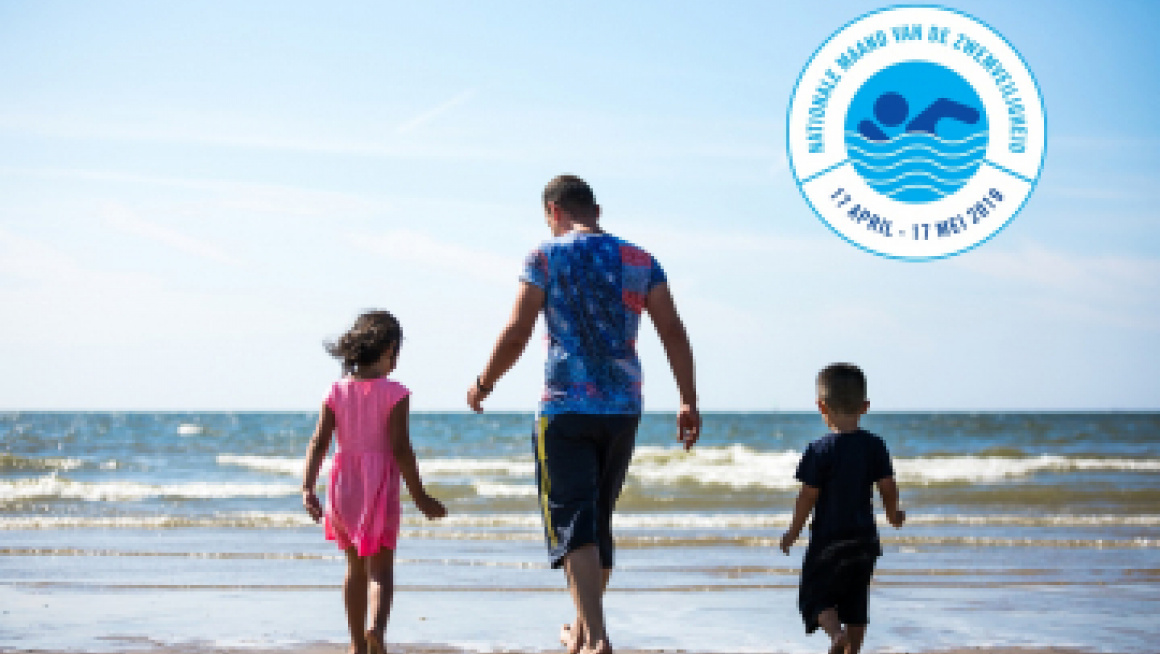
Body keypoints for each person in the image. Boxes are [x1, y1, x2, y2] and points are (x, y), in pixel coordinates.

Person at [466, 174, 701, 654]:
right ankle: (580, 628)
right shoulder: (640, 260)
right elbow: (672, 330)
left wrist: (484, 383)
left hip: (565, 408)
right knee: (596, 522)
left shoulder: (545, 257)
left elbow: (517, 331)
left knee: (574, 521)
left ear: (553, 211)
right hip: (622, 409)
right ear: (595, 208)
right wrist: (688, 398)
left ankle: (595, 638)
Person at [302, 310, 447, 654]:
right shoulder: (395, 393)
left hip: (343, 487)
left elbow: (318, 442)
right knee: (380, 567)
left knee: (354, 566)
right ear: (388, 351)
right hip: (378, 487)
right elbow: (400, 448)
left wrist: (307, 486)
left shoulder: (335, 391)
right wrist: (420, 495)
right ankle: (376, 630)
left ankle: (356, 645)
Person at [780, 363, 905, 654]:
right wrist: (893, 514)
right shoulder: (875, 446)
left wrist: (793, 531)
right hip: (864, 542)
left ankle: (835, 635)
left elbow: (807, 497)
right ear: (865, 406)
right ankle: (852, 649)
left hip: (828, 541)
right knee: (856, 603)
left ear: (821, 407)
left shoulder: (819, 450)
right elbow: (888, 486)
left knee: (815, 596)